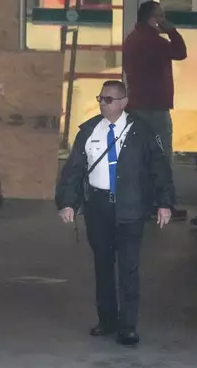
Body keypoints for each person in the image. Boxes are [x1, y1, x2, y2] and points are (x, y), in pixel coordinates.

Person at [55, 80, 174, 347]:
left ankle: (128, 326)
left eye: (108, 99)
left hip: (130, 207)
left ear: (123, 102)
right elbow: (74, 171)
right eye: (100, 98)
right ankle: (107, 320)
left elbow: (160, 168)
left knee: (129, 268)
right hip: (99, 208)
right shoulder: (88, 131)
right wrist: (68, 203)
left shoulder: (141, 132)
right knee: (103, 265)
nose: (102, 103)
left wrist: (164, 203)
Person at [123, 0, 187, 221]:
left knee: (141, 157)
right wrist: (171, 30)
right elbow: (180, 52)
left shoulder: (131, 40)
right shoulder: (155, 42)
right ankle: (162, 204)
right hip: (155, 107)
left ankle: (141, 203)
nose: (163, 19)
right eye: (160, 16)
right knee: (160, 156)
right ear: (152, 18)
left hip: (136, 105)